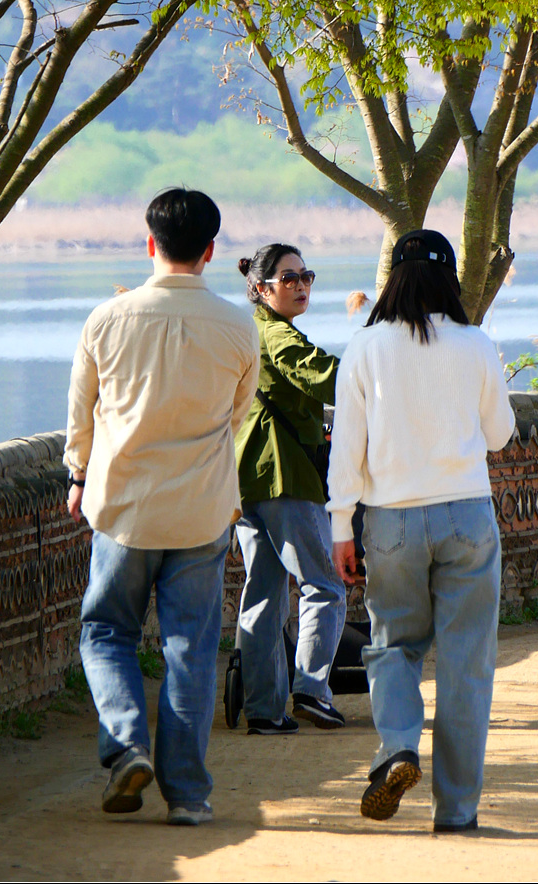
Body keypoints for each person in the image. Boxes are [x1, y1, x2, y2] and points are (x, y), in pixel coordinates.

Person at [65, 188, 259, 825]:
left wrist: (78, 474)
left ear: (150, 243)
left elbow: (82, 414)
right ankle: (189, 797)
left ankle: (126, 746)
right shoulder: (238, 326)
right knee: (190, 648)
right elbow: (236, 417)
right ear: (210, 250)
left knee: (107, 631)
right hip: (202, 509)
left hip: (123, 505)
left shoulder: (106, 319)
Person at [327, 229, 515, 834]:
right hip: (467, 514)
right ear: (450, 280)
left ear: (393, 281)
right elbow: (499, 435)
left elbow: (346, 448)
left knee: (392, 646)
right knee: (467, 666)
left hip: (391, 518)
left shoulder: (365, 347)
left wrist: (341, 526)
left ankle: (398, 747)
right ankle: (456, 812)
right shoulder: (475, 343)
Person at [233, 242, 348, 734]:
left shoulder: (245, 332)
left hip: (246, 477)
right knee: (324, 587)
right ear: (262, 289)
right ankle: (311, 690)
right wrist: (376, 378)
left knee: (264, 594)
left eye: (306, 276)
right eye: (288, 278)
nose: (301, 285)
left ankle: (263, 709)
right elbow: (326, 378)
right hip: (286, 475)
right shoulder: (278, 335)